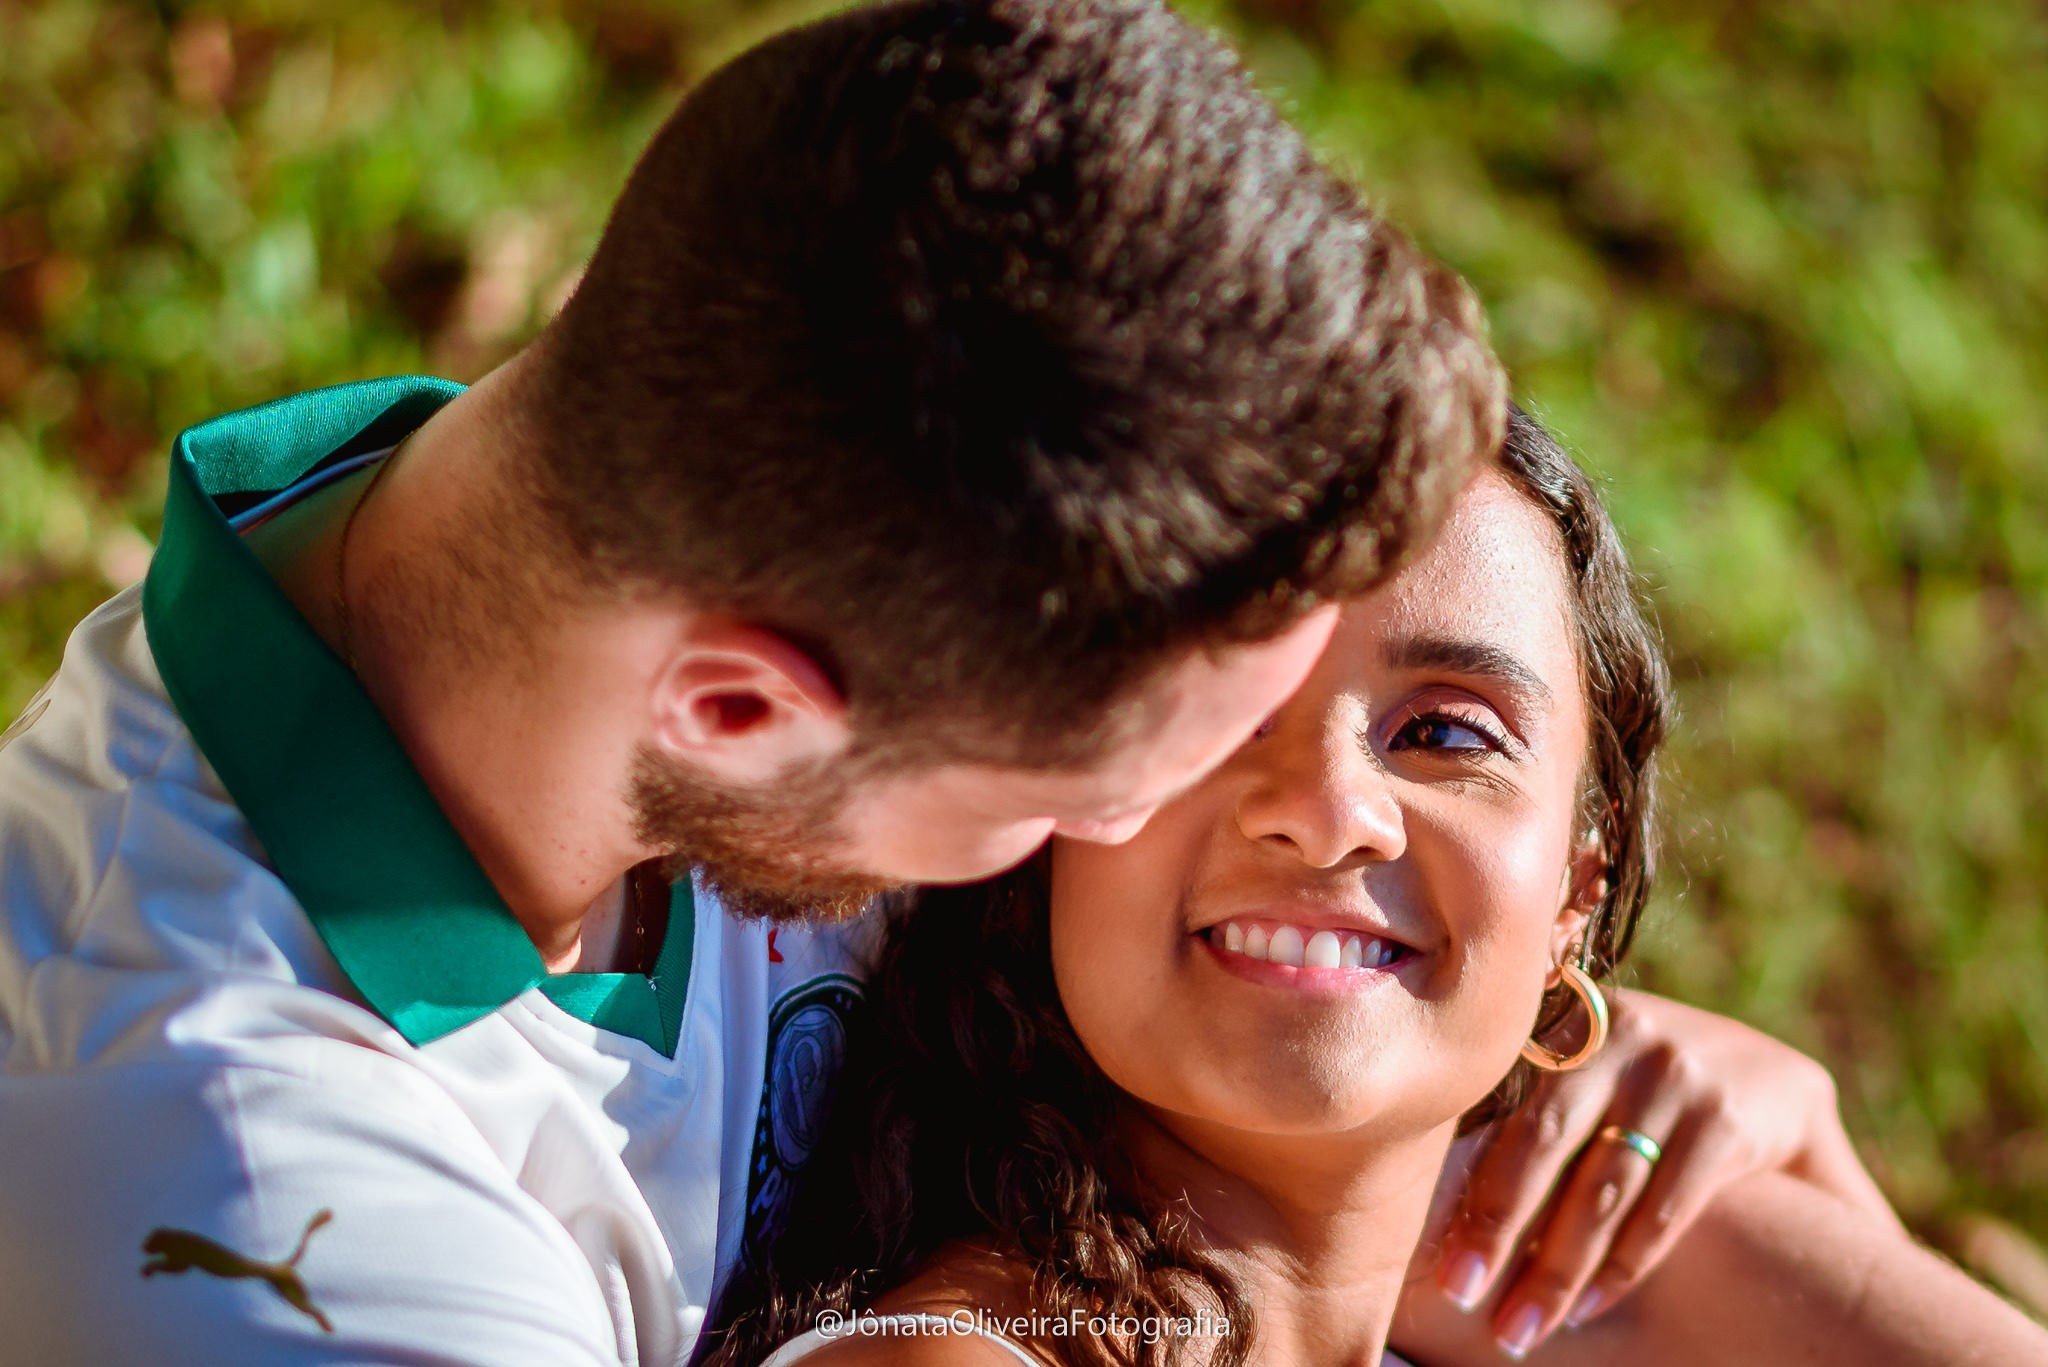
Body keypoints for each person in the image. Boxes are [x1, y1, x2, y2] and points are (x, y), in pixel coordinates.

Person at [0, 1, 1927, 1363]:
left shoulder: (717, 494)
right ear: (749, 712)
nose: (1179, 820)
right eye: (1098, 779)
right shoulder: (262, 1229)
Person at [716, 409, 2048, 1367]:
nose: (1327, 813)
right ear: (1056, 823)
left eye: (1448, 734)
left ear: (1575, 892)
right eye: (1217, 712)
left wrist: (1813, 1163)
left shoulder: (1568, 1262)